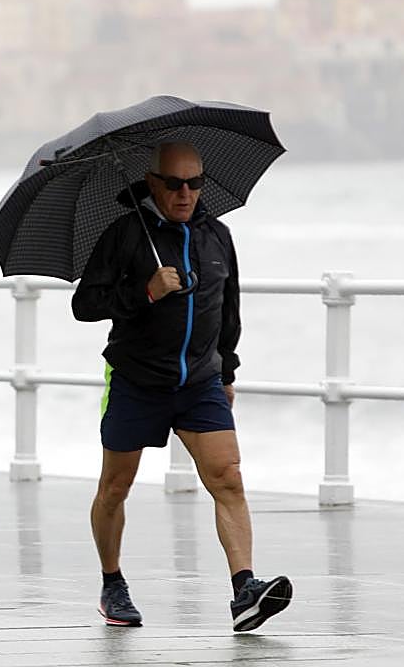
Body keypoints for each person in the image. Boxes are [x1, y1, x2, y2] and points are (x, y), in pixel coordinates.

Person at [71, 140, 292, 632]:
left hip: (200, 382)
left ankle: (245, 591)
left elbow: (227, 310)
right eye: (174, 183)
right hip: (136, 380)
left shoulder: (218, 236)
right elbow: (85, 304)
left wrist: (227, 372)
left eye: (195, 182)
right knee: (115, 487)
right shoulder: (126, 233)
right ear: (152, 183)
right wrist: (146, 291)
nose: (185, 192)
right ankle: (113, 584)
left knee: (228, 477)